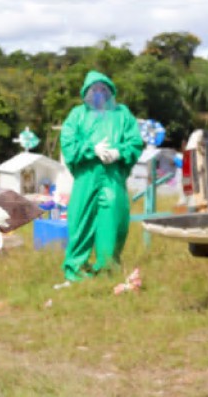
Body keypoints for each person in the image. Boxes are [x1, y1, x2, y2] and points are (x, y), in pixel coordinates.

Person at [59, 70, 144, 282]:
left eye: (103, 88)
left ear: (110, 91)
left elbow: (134, 142)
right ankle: (76, 269)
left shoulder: (122, 114)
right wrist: (91, 149)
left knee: (113, 222)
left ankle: (108, 270)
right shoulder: (77, 115)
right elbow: (68, 143)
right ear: (86, 91)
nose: (98, 92)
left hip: (112, 178)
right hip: (86, 177)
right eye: (94, 88)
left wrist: (119, 152)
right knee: (81, 222)